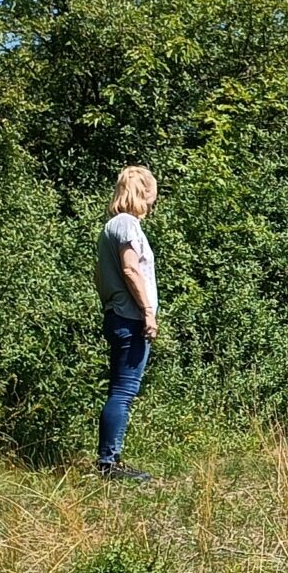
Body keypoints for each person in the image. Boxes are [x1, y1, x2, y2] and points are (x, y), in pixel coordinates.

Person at [95, 165, 160, 481]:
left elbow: (100, 277)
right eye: (152, 195)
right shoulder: (127, 225)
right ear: (143, 193)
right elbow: (131, 269)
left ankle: (110, 460)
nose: (153, 203)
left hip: (118, 315)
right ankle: (109, 464)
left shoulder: (112, 226)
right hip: (130, 319)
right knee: (123, 391)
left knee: (119, 390)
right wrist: (148, 311)